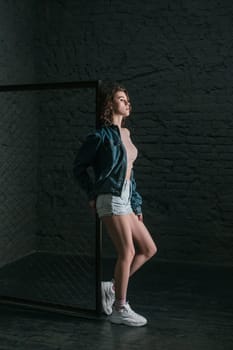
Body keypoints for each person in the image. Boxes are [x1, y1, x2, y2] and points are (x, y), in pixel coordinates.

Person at [73, 82, 157, 327]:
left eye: (127, 99)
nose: (127, 102)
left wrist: (137, 205)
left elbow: (130, 173)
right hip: (109, 197)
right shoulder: (99, 136)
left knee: (148, 249)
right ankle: (120, 307)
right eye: (121, 99)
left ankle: (110, 287)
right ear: (110, 105)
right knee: (128, 251)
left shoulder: (127, 134)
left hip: (126, 199)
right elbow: (78, 168)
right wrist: (92, 193)